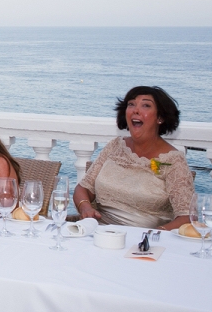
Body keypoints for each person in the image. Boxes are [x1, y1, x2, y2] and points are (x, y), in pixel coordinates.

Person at [73, 86, 194, 230]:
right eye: (131, 104)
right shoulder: (115, 146)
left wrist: (156, 235)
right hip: (98, 232)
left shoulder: (172, 161)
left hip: (141, 242)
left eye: (146, 105)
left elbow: (187, 216)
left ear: (160, 117)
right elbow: (83, 188)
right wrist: (85, 207)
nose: (136, 110)